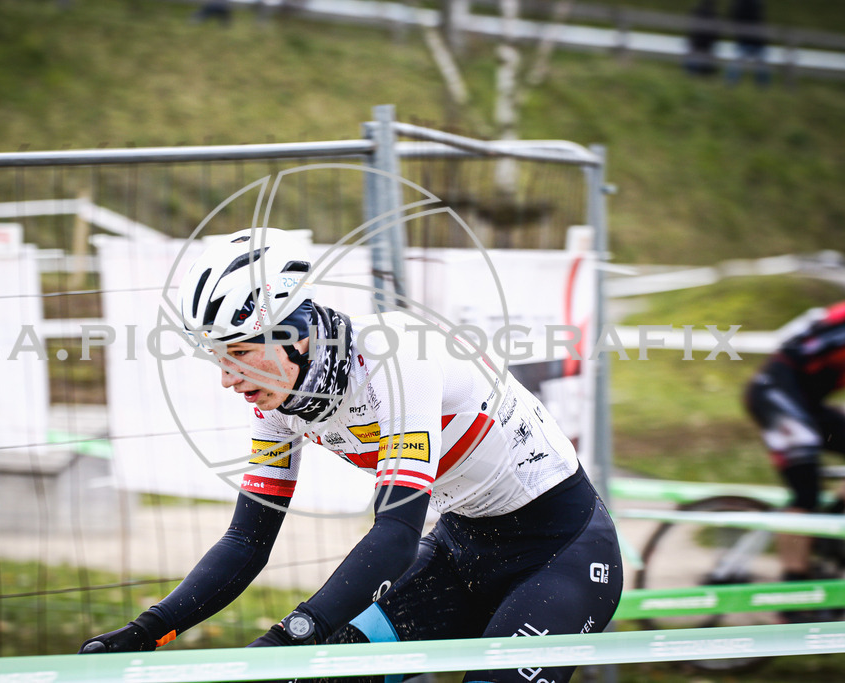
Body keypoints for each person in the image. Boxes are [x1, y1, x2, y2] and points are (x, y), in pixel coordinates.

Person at [79, 228, 624, 683]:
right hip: (460, 551)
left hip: (560, 553)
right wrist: (146, 632)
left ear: (294, 334)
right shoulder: (279, 402)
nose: (228, 379)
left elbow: (395, 535)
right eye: (218, 360)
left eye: (239, 353)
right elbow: (247, 541)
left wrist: (292, 635)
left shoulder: (397, 359)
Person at [744, 301, 845, 592]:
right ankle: (794, 590)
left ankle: (828, 529)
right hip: (775, 394)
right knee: (805, 492)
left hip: (802, 399)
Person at [726, 0, 771, 86]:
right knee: (761, 64)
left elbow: (733, 18)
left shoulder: (740, 5)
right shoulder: (755, 4)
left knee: (737, 62)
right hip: (754, 41)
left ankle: (730, 84)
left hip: (746, 40)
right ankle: (763, 86)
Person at [684, 0, 721, 76]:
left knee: (694, 57)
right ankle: (702, 73)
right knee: (704, 58)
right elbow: (716, 30)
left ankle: (691, 73)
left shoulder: (697, 12)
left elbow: (691, 26)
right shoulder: (714, 14)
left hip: (696, 40)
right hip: (706, 42)